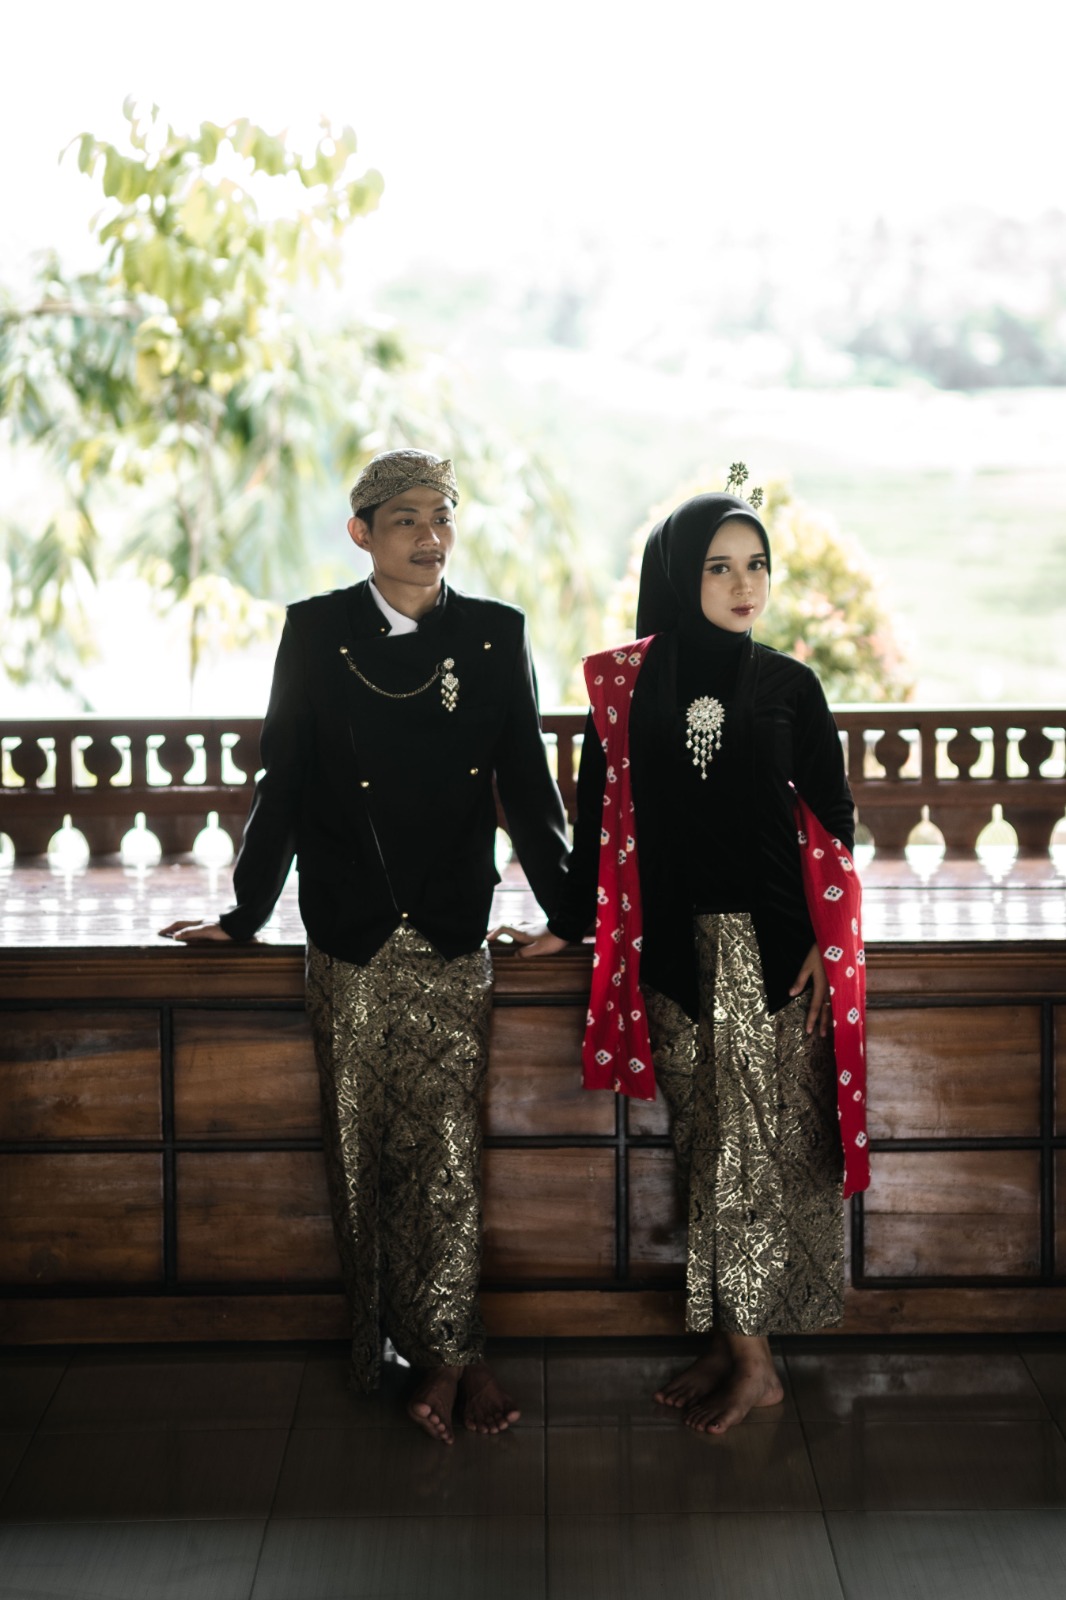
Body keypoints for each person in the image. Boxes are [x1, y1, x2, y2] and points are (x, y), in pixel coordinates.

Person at [161, 449, 569, 1444]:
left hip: (448, 929)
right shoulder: (315, 631)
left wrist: (571, 915)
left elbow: (527, 784)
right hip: (348, 931)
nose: (430, 536)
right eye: (406, 520)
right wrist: (245, 914)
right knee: (360, 1155)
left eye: (443, 516)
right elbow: (284, 781)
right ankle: (389, 1344)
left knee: (447, 1154)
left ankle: (453, 1354)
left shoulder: (496, 633)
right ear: (362, 533)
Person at [521, 489, 867, 1435]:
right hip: (670, 954)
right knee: (703, 1147)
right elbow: (596, 821)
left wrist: (826, 942)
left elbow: (834, 820)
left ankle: (757, 1367)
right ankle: (726, 1340)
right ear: (679, 576)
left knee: (746, 1157)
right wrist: (566, 924)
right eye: (720, 567)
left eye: (756, 565)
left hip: (768, 954)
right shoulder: (625, 688)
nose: (744, 585)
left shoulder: (790, 685)